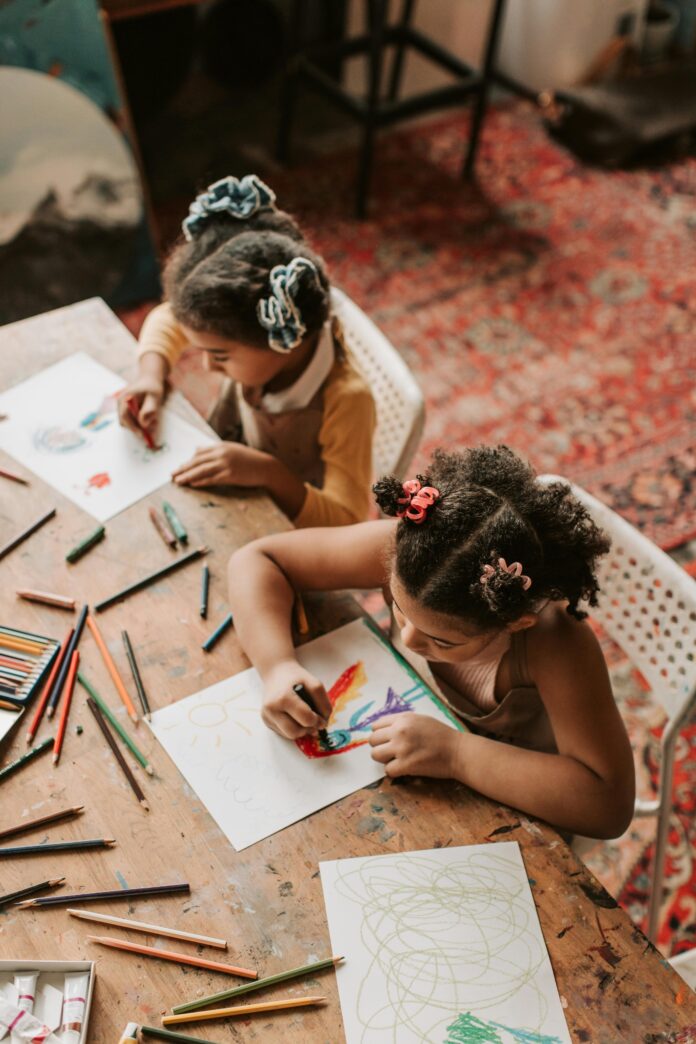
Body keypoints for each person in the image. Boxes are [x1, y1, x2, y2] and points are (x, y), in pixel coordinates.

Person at [227, 445, 636, 840]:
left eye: (441, 640)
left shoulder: (553, 640)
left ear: (514, 623)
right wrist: (277, 666)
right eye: (400, 611)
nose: (408, 638)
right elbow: (258, 560)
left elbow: (607, 804)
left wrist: (456, 755)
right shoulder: (415, 557)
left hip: (515, 816)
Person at [119, 175, 376, 527]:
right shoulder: (254, 338)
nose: (208, 366)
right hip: (241, 498)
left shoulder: (347, 400)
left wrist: (268, 473)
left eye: (220, 355)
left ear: (283, 342)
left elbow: (346, 520)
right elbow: (168, 318)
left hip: (297, 540)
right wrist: (150, 377)